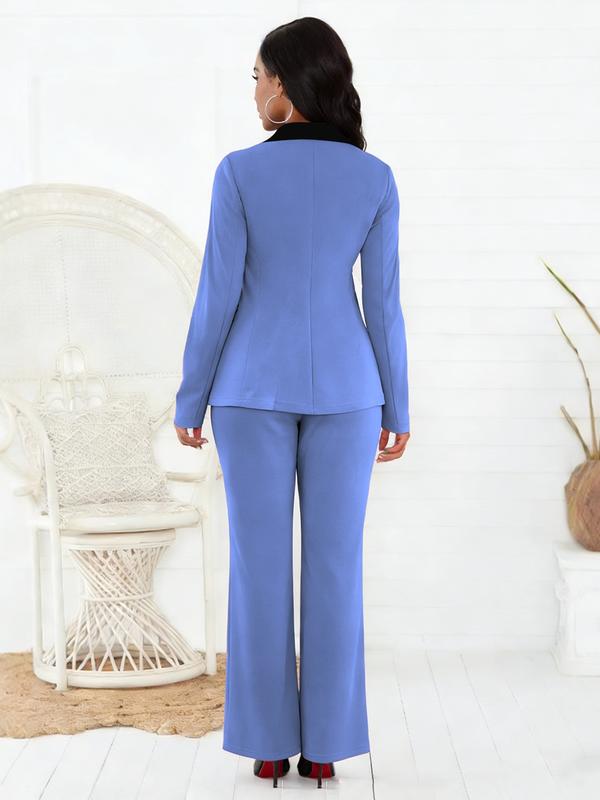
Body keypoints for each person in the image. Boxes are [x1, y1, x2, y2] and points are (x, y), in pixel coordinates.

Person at [173, 16, 410, 790]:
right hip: (349, 392)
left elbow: (218, 296)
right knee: (336, 569)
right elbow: (384, 305)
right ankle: (328, 745)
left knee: (258, 568)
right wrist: (398, 407)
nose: (253, 92)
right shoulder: (374, 178)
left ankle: (268, 743)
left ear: (283, 84)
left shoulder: (239, 173)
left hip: (248, 393)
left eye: (256, 78)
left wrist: (191, 395)